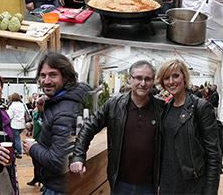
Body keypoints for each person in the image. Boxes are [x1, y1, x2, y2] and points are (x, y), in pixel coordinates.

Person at [70, 60, 165, 194]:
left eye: (147, 79)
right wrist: (78, 156)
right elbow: (88, 127)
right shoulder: (114, 105)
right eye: (138, 78)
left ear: (153, 81)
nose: (143, 83)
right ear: (129, 79)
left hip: (150, 186)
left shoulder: (161, 108)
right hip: (120, 183)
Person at [22, 52, 91, 195]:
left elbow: (59, 162)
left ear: (66, 77)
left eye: (53, 75)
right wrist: (43, 110)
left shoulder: (65, 110)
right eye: (43, 75)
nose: (46, 81)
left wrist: (33, 148)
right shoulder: (65, 99)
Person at [156, 59, 221, 195]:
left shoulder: (201, 108)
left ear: (184, 77)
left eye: (175, 76)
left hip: (193, 186)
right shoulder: (166, 108)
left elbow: (214, 155)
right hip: (167, 183)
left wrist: (210, 191)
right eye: (166, 78)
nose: (171, 81)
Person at [6, 92, 26, 159]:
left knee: (16, 139)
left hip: (15, 125)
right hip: (22, 125)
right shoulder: (22, 104)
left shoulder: (12, 106)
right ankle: (16, 150)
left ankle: (19, 153)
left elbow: (9, 116)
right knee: (16, 138)